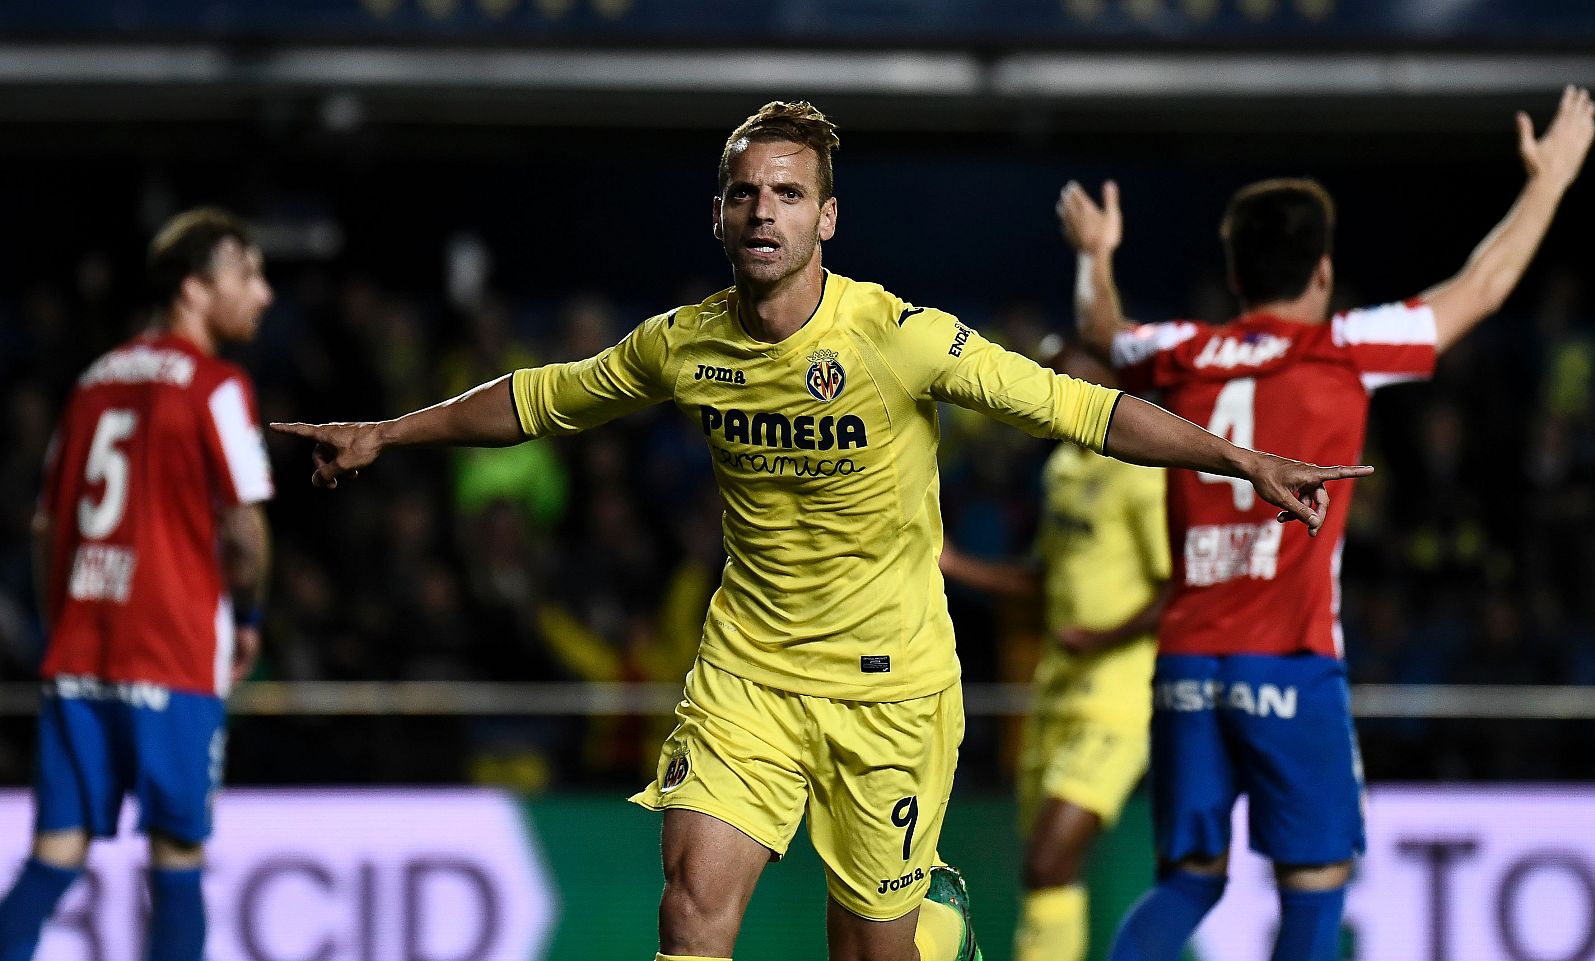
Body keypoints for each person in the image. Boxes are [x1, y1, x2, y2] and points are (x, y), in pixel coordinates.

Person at [273, 101, 1368, 961]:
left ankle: (929, 926)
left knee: (872, 949)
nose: (765, 211)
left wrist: (1241, 458)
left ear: (826, 219)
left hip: (889, 689)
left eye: (789, 194)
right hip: (748, 673)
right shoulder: (681, 344)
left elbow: (1080, 408)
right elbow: (541, 397)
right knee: (690, 911)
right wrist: (388, 432)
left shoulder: (899, 338)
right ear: (718, 215)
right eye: (745, 193)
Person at [1055, 86, 1595, 961]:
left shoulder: (1183, 350)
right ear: (1322, 274)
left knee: (1188, 881)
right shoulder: (1345, 347)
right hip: (1291, 659)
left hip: (1188, 660)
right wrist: (1550, 180)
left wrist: (1096, 254)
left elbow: (1099, 328)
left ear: (1236, 276)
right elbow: (1485, 285)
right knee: (1313, 887)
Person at [0, 208, 275, 961]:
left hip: (81, 652)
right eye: (247, 273)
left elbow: (45, 528)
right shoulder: (217, 384)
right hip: (173, 652)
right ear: (193, 288)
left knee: (55, 855)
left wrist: (63, 621)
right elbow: (244, 529)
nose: (264, 293)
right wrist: (249, 616)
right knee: (176, 858)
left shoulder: (91, 382)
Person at [941, 339, 1169, 961]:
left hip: (1116, 700)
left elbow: (1180, 586)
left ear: (1108, 385)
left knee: (1050, 858)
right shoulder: (1064, 468)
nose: (1057, 395)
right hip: (1055, 690)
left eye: (1070, 380)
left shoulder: (1143, 474)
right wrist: (956, 565)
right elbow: (1045, 581)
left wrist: (1102, 636)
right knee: (1047, 869)